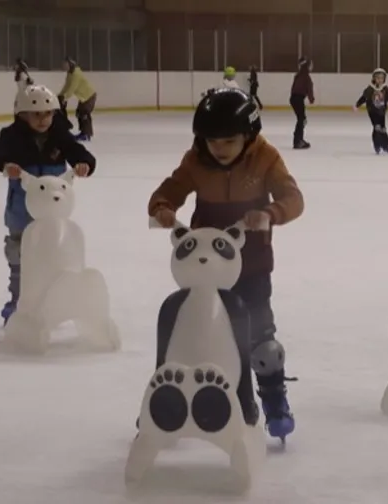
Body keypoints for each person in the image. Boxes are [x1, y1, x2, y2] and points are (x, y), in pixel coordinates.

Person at [147, 87, 305, 442]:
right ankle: (169, 403)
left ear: (248, 135)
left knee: (260, 338)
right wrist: (162, 208)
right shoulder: (196, 160)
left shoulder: (265, 157)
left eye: (229, 141)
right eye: (212, 140)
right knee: (191, 332)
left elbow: (293, 198)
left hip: (252, 266)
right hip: (205, 269)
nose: (218, 148)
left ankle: (273, 398)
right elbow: (167, 191)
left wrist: (270, 213)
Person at [0, 85, 96, 324]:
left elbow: (78, 152)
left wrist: (84, 163)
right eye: (36, 114)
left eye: (48, 113)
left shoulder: (60, 136)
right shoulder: (12, 137)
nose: (43, 119)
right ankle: (17, 302)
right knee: (19, 257)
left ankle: (50, 301)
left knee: (53, 255)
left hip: (53, 213)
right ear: (22, 114)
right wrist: (5, 164)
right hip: (20, 211)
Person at [354, 68, 388, 154]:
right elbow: (364, 97)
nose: (379, 80)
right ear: (374, 78)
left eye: (381, 78)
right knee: (377, 127)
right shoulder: (370, 88)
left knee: (383, 128)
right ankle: (377, 145)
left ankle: (386, 145)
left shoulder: (385, 88)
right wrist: (357, 105)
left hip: (382, 111)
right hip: (372, 111)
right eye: (378, 78)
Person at [58, 57, 97, 141]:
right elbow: (67, 85)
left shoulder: (76, 73)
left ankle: (86, 134)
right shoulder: (70, 73)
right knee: (79, 113)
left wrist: (65, 98)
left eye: (65, 64)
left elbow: (72, 88)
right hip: (83, 97)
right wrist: (60, 95)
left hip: (89, 96)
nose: (63, 66)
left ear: (70, 64)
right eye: (63, 64)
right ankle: (84, 133)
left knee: (84, 113)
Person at [290, 56, 314, 149]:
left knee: (301, 119)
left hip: (294, 98)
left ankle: (299, 139)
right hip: (298, 99)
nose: (312, 67)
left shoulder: (298, 75)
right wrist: (311, 99)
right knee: (301, 120)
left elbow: (293, 88)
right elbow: (309, 88)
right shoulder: (306, 77)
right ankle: (297, 141)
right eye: (310, 65)